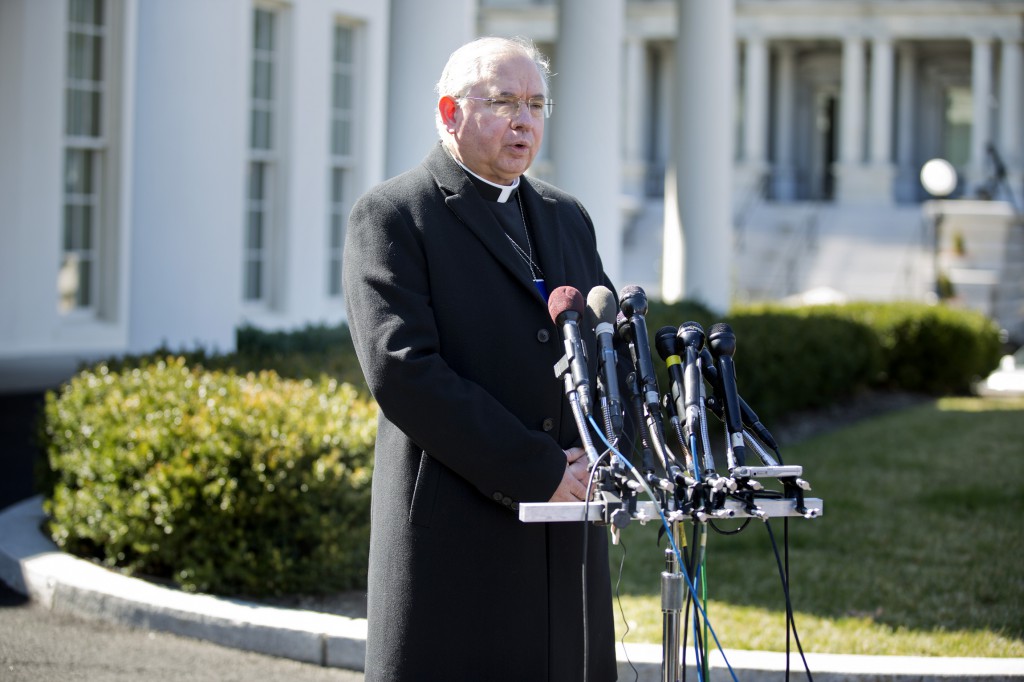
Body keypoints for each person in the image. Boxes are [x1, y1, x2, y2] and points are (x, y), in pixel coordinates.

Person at [343, 36, 621, 681]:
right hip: (458, 529)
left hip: (565, 522)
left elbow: (604, 346)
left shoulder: (566, 216)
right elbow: (403, 370)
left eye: (535, 104)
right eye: (502, 102)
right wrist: (536, 467)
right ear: (449, 112)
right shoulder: (393, 215)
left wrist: (609, 447)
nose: (524, 121)